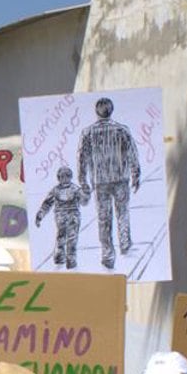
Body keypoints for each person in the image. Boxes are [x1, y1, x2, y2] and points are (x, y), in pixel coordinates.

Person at [76, 95, 140, 270]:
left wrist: (83, 181)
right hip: (121, 178)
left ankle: (107, 253)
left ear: (97, 112)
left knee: (104, 218)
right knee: (123, 212)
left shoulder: (88, 132)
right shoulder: (122, 130)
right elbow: (132, 153)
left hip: (100, 180)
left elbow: (82, 159)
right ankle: (125, 242)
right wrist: (136, 174)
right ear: (111, 111)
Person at [34, 166, 91, 270]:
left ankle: (64, 259)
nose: (64, 179)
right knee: (68, 238)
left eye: (66, 176)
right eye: (62, 177)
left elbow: (47, 204)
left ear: (70, 177)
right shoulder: (73, 189)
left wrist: (40, 216)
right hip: (70, 216)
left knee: (64, 237)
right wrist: (39, 216)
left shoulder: (62, 190)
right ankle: (67, 259)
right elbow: (47, 204)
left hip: (66, 216)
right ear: (59, 178)